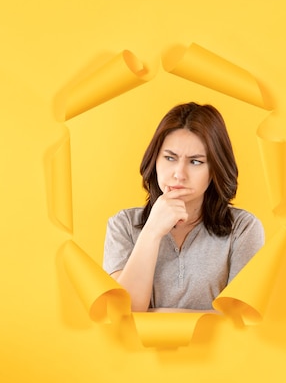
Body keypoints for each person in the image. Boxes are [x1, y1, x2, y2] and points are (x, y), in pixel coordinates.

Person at [103, 102, 264, 312]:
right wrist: (151, 232)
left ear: (215, 169)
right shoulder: (123, 225)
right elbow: (125, 311)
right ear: (155, 161)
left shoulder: (243, 229)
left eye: (195, 162)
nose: (179, 173)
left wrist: (157, 315)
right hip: (137, 347)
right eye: (170, 158)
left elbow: (238, 319)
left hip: (216, 347)